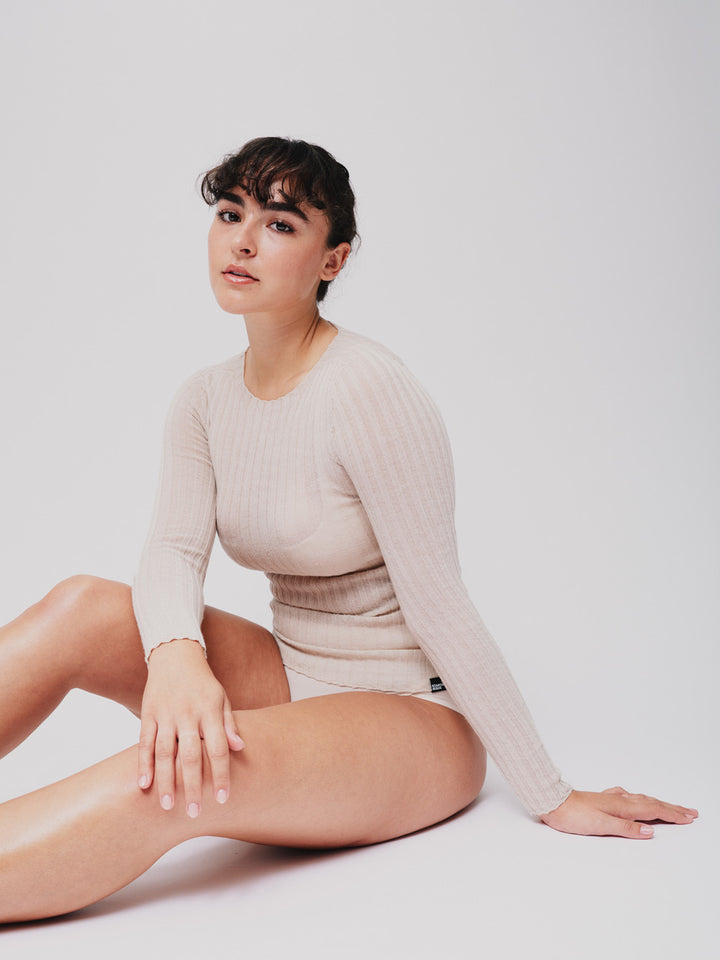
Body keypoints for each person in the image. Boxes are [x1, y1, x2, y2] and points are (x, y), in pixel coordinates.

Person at [0, 137, 697, 923]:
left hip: (409, 715)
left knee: (173, 772)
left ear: (333, 261)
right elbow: (171, 551)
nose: (243, 239)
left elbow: (439, 603)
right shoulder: (203, 400)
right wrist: (176, 661)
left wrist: (550, 792)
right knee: (81, 606)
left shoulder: (368, 386)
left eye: (282, 224)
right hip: (291, 674)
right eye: (230, 214)